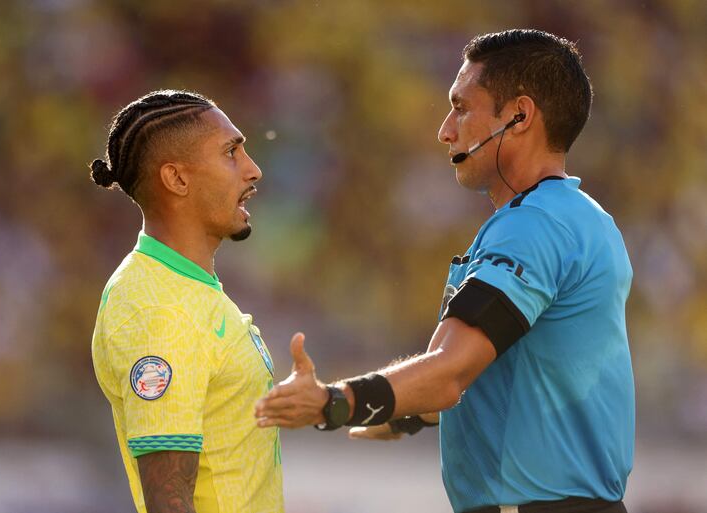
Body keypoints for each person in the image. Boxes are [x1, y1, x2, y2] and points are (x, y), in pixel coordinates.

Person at [255, 29, 634, 513]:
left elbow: (450, 373)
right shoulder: (579, 217)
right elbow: (504, 373)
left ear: (519, 115)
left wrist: (333, 402)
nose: (445, 130)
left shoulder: (533, 226)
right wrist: (406, 413)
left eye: (461, 107)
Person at [90, 90, 283, 513]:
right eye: (231, 153)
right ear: (177, 179)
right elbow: (169, 501)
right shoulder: (159, 310)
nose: (253, 170)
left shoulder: (186, 287)